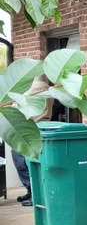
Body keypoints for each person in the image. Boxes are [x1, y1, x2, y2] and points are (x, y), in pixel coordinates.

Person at [11, 75, 53, 206]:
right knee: (33, 162)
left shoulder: (36, 89)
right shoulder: (49, 90)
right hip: (41, 127)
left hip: (30, 129)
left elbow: (15, 106)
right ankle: (32, 191)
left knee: (21, 159)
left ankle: (33, 192)